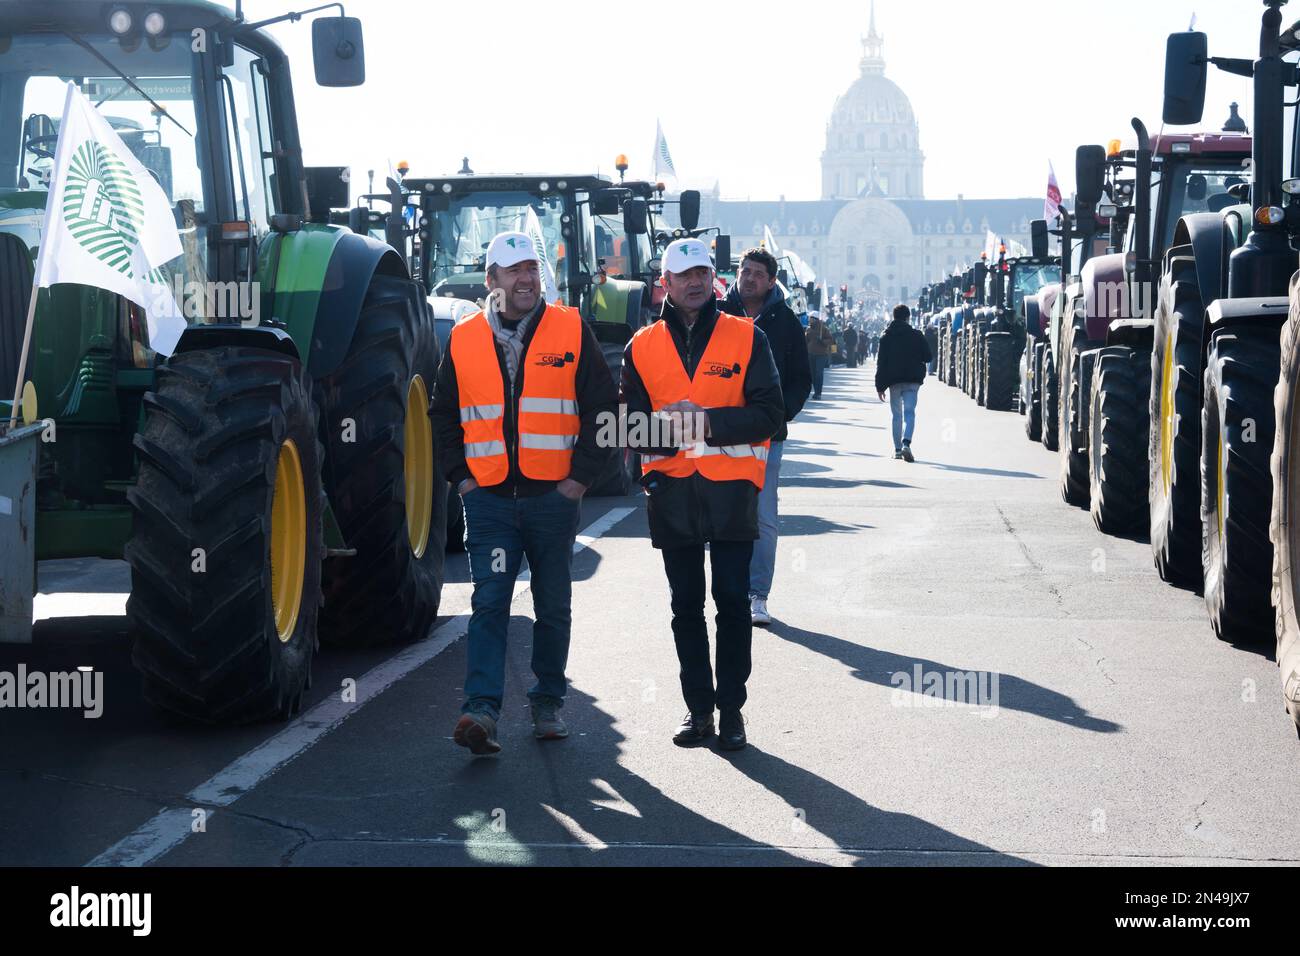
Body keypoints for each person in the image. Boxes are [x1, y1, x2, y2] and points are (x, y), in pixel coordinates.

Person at [431, 230, 617, 755]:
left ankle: (547, 702)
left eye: (532, 269)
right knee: (490, 602)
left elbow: (605, 412)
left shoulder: (570, 329)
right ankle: (481, 711)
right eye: (514, 271)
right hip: (488, 500)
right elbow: (442, 414)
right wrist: (461, 479)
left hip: (551, 501)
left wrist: (578, 481)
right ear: (492, 281)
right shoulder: (463, 338)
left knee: (552, 605)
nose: (526, 279)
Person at [622, 238, 784, 751]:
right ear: (664, 284)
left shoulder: (747, 338)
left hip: (733, 493)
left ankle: (732, 711)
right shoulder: (640, 347)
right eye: (684, 274)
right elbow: (624, 428)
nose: (695, 282)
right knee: (685, 607)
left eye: (703, 273)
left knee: (733, 603)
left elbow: (771, 416)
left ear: (713, 278)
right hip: (671, 494)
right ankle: (699, 711)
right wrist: (671, 431)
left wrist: (706, 423)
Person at [723, 247, 812, 628]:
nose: (749, 278)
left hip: (765, 438)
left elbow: (800, 379)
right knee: (718, 516)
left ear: (772, 281)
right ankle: (727, 592)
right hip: (718, 433)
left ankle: (758, 595)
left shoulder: (786, 322)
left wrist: (779, 415)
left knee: (762, 517)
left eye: (758, 273)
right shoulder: (716, 314)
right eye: (745, 271)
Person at [875, 304, 932, 462]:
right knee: (909, 413)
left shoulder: (886, 336)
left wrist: (879, 386)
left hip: (894, 381)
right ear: (908, 317)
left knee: (896, 416)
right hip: (913, 380)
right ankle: (906, 442)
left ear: (894, 317)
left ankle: (897, 450)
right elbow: (928, 356)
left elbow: (881, 363)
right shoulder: (917, 335)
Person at [805, 310, 835, 398]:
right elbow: (805, 341)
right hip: (810, 354)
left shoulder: (824, 329)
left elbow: (830, 340)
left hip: (821, 354)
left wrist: (822, 341)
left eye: (811, 319)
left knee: (819, 373)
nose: (810, 320)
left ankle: (819, 393)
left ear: (815, 319)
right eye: (809, 318)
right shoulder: (808, 329)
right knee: (813, 374)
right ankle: (816, 391)